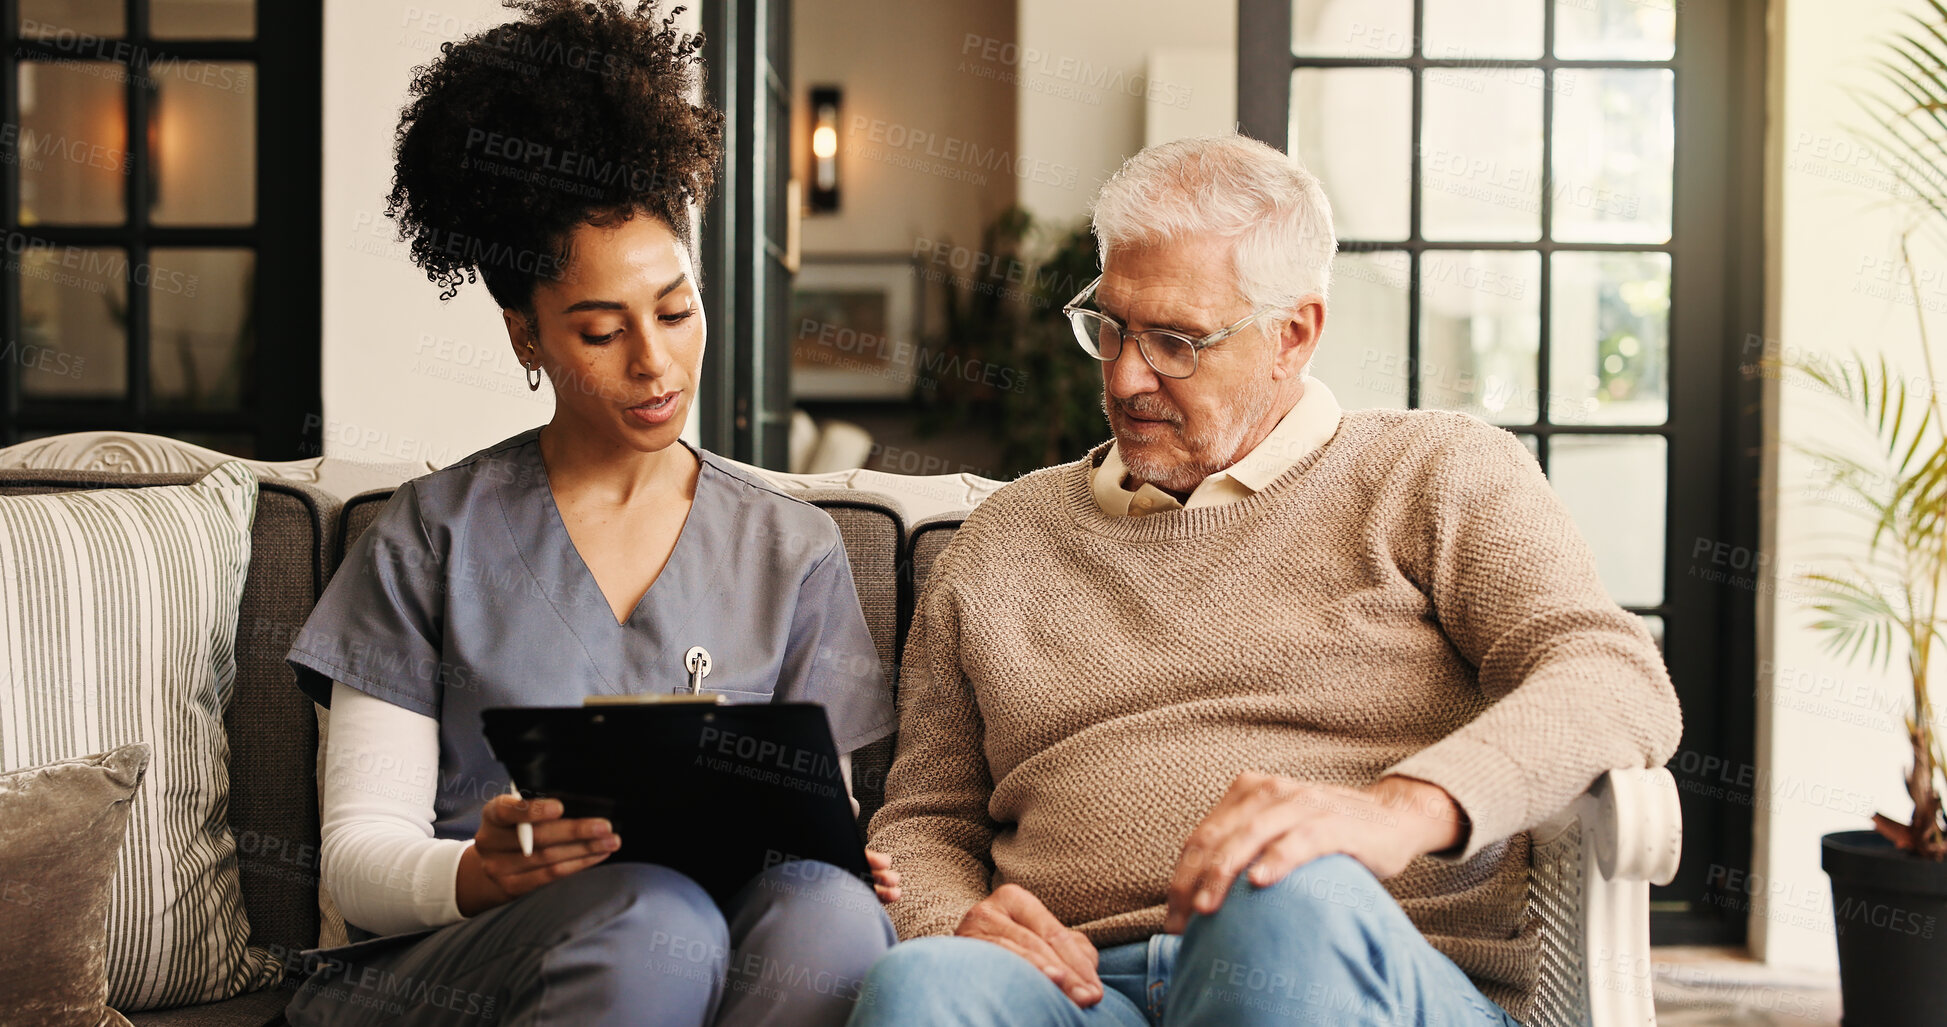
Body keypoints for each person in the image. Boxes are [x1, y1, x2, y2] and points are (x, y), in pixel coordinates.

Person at [850, 134, 1684, 1027]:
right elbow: (927, 820)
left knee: (1278, 892)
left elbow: (1613, 679)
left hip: (1358, 966)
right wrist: (954, 919)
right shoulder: (1003, 540)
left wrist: (1398, 811)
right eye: (1112, 327)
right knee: (921, 988)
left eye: (1175, 341)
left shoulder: (1434, 473)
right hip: (1086, 991)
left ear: (1293, 334)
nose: (1127, 375)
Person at [282, 3, 898, 1025]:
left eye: (676, 310)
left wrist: (836, 859)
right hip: (467, 965)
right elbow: (356, 862)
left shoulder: (794, 548)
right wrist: (479, 871)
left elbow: (808, 820)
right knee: (645, 914)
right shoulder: (429, 537)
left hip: (706, 950)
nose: (655, 364)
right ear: (526, 337)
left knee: (828, 915)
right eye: (603, 331)